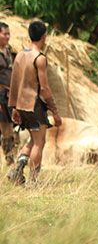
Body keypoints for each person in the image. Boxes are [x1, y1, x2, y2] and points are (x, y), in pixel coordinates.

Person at [7, 20, 62, 185]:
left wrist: (15, 108)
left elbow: (14, 84)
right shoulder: (39, 58)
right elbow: (44, 89)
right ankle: (33, 181)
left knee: (33, 140)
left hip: (21, 105)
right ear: (44, 36)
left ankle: (17, 170)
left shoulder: (20, 56)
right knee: (39, 142)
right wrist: (55, 111)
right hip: (35, 104)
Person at [0, 22, 17, 165]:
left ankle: (10, 158)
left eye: (8, 34)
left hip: (9, 95)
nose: (7, 37)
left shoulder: (8, 51)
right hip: (0, 95)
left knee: (9, 127)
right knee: (4, 128)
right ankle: (8, 157)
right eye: (4, 34)